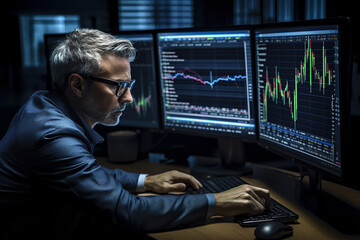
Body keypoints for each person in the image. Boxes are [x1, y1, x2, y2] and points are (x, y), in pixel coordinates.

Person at [0, 28, 270, 239]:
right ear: (77, 84)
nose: (128, 97)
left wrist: (146, 181)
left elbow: (86, 174)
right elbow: (130, 212)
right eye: (119, 86)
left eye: (130, 85)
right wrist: (217, 201)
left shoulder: (43, 105)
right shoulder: (54, 136)